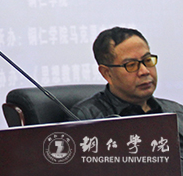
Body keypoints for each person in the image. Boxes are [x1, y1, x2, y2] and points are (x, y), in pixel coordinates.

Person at [71, 26, 183, 164]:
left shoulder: (176, 113)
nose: (144, 71)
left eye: (148, 60)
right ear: (107, 73)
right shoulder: (85, 119)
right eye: (131, 65)